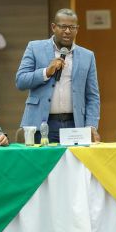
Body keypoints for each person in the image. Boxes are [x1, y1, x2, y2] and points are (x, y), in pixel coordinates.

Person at [15, 8, 101, 143]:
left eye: (72, 27)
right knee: (41, 164)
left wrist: (91, 125)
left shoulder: (87, 56)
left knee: (73, 164)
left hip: (75, 125)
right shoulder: (35, 48)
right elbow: (21, 81)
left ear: (77, 29)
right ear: (54, 27)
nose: (67, 31)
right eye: (63, 27)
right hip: (42, 124)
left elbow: (92, 96)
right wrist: (46, 72)